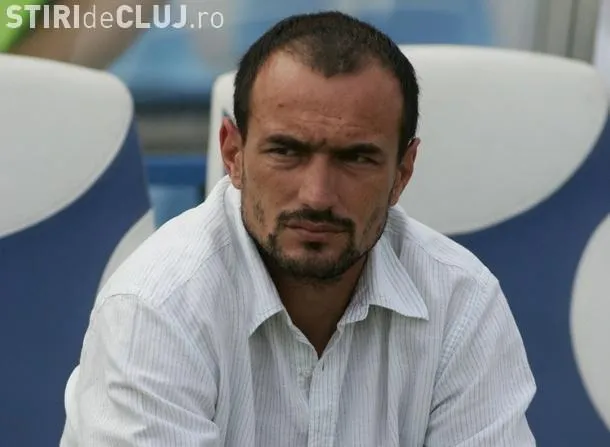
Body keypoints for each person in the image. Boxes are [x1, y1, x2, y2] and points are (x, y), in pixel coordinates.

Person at [61, 10, 537, 446]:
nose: (317, 195)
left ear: (403, 172)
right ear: (232, 154)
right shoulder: (156, 307)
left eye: (356, 158)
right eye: (286, 152)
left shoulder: (462, 303)